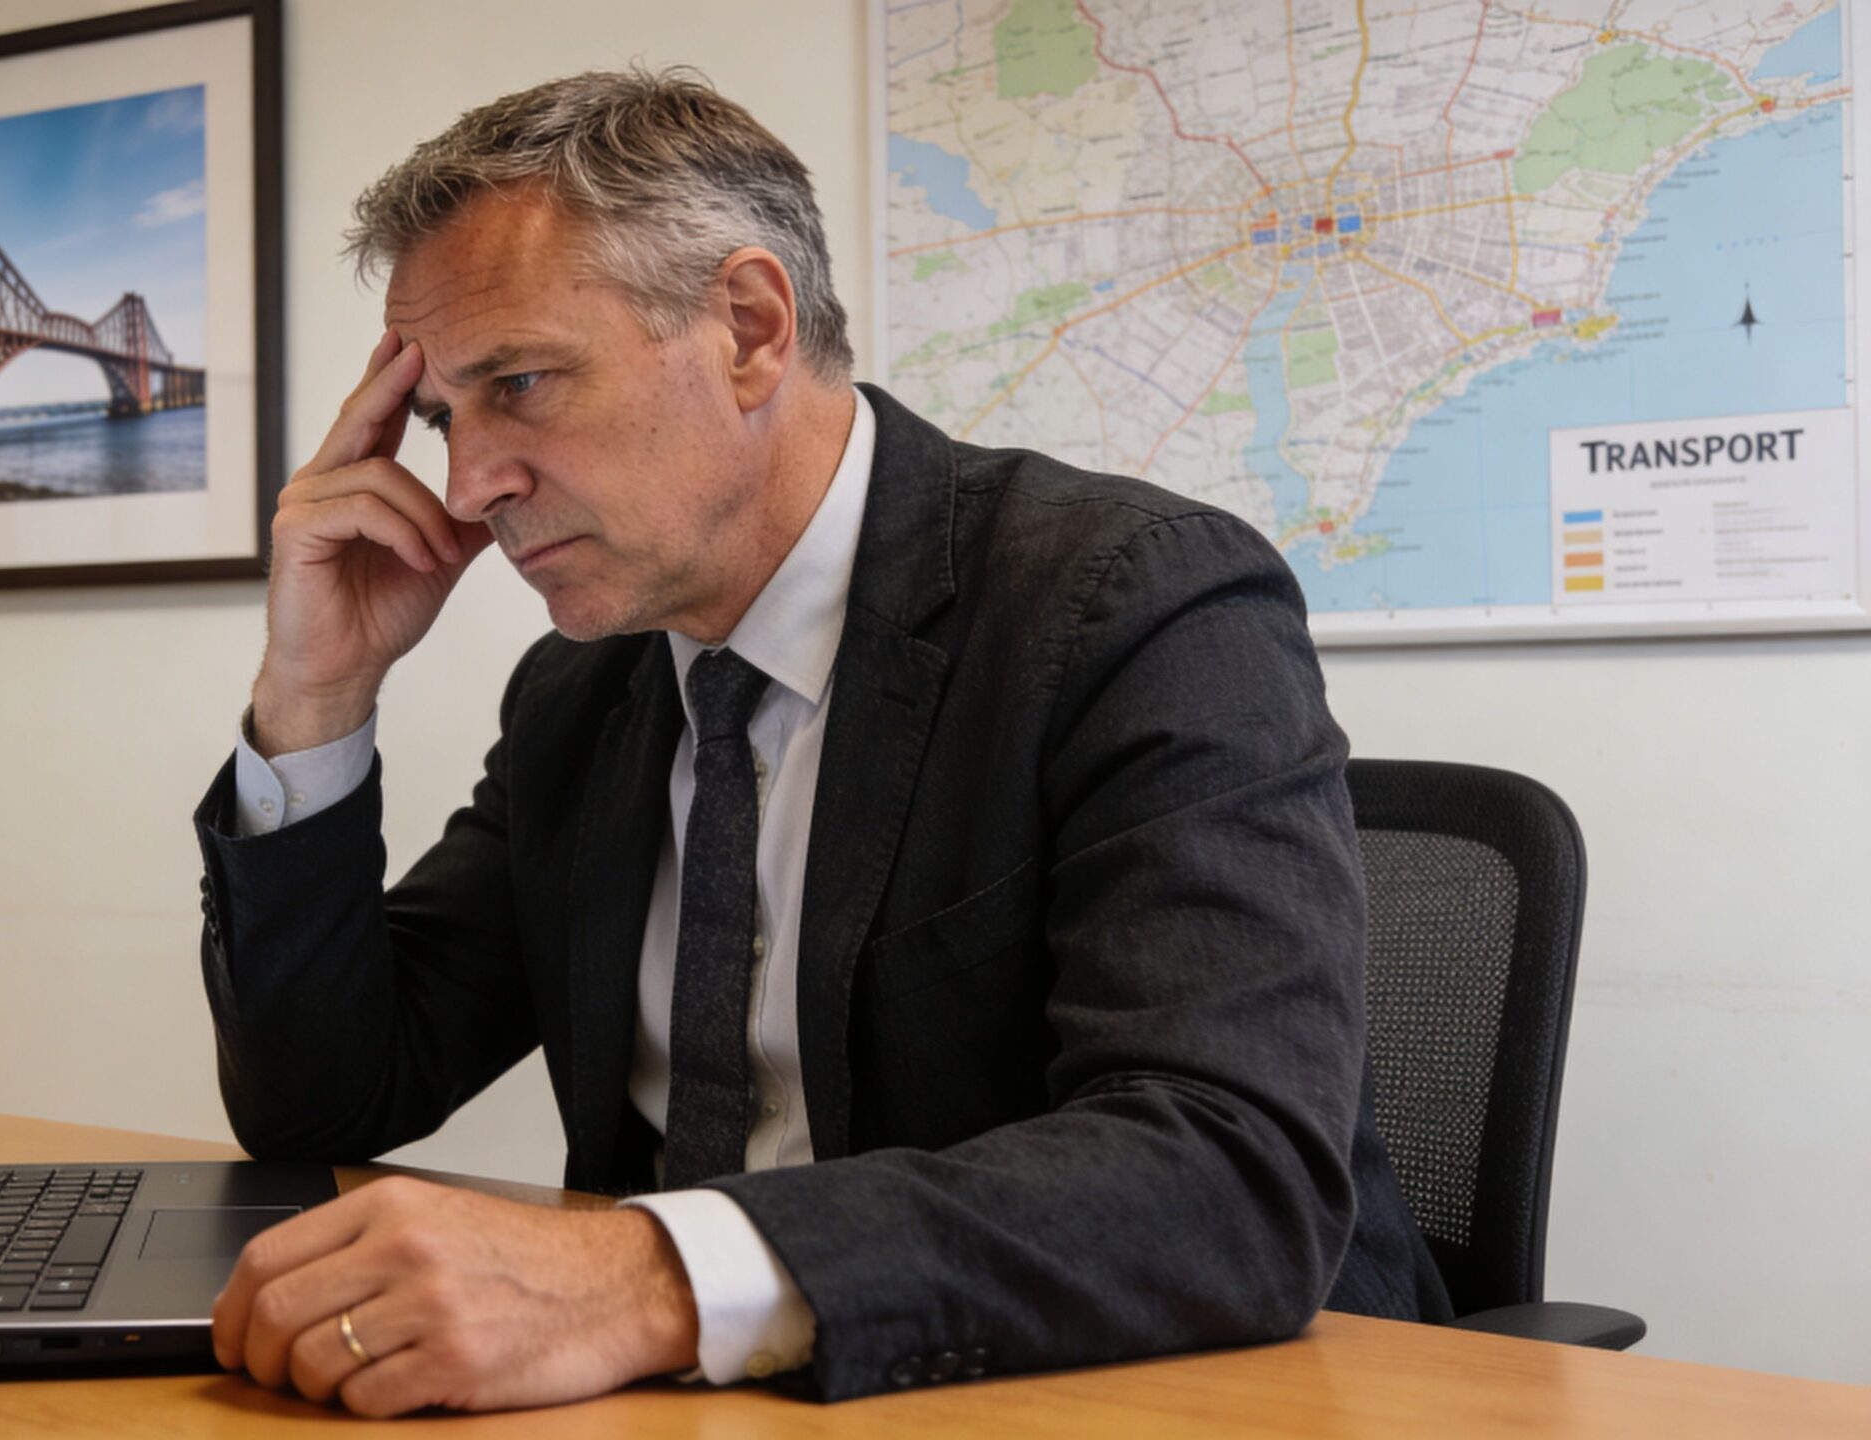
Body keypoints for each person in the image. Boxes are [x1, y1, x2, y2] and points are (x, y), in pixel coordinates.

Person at [192, 69, 1448, 1416]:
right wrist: (317, 695)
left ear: (747, 325)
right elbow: (325, 1101)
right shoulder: (584, 694)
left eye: (521, 384)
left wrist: (650, 1276)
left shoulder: (1131, 605)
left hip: (1165, 1395)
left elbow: (1232, 1177)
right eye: (446, 418)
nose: (469, 482)